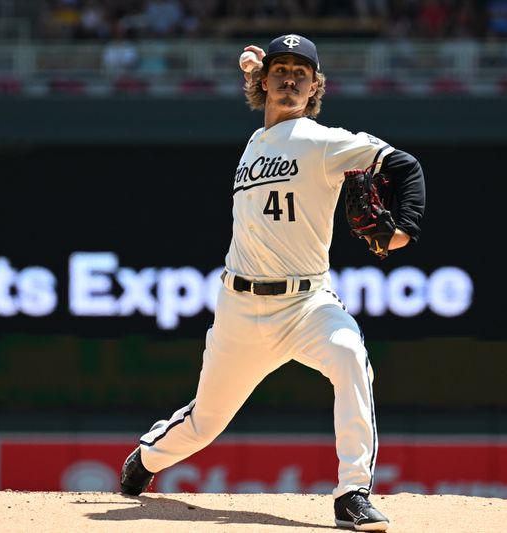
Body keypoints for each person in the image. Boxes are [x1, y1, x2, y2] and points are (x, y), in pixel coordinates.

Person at [119, 33, 426, 532]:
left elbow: (404, 165)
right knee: (204, 423)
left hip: (307, 304)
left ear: (314, 89)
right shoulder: (256, 141)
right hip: (240, 307)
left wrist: (405, 231)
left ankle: (353, 492)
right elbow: (269, 107)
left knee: (350, 357)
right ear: (265, 83)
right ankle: (148, 458)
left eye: (300, 75)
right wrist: (253, 71)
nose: (290, 80)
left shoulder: (326, 142)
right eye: (280, 71)